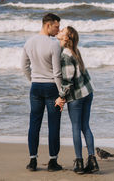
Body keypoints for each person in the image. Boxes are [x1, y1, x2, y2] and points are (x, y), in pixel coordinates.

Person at [22, 13, 63, 172]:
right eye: (56, 26)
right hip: (52, 87)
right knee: (54, 125)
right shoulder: (54, 45)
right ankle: (53, 161)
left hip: (36, 87)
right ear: (48, 25)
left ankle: (33, 160)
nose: (58, 30)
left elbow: (24, 67)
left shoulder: (29, 42)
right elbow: (57, 73)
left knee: (34, 123)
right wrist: (62, 94)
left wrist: (32, 81)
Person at [55, 26, 99, 174]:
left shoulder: (65, 55)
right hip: (88, 92)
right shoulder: (75, 50)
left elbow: (67, 82)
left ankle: (79, 162)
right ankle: (92, 160)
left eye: (63, 31)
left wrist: (61, 97)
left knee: (76, 127)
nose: (59, 31)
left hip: (77, 97)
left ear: (66, 38)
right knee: (85, 126)